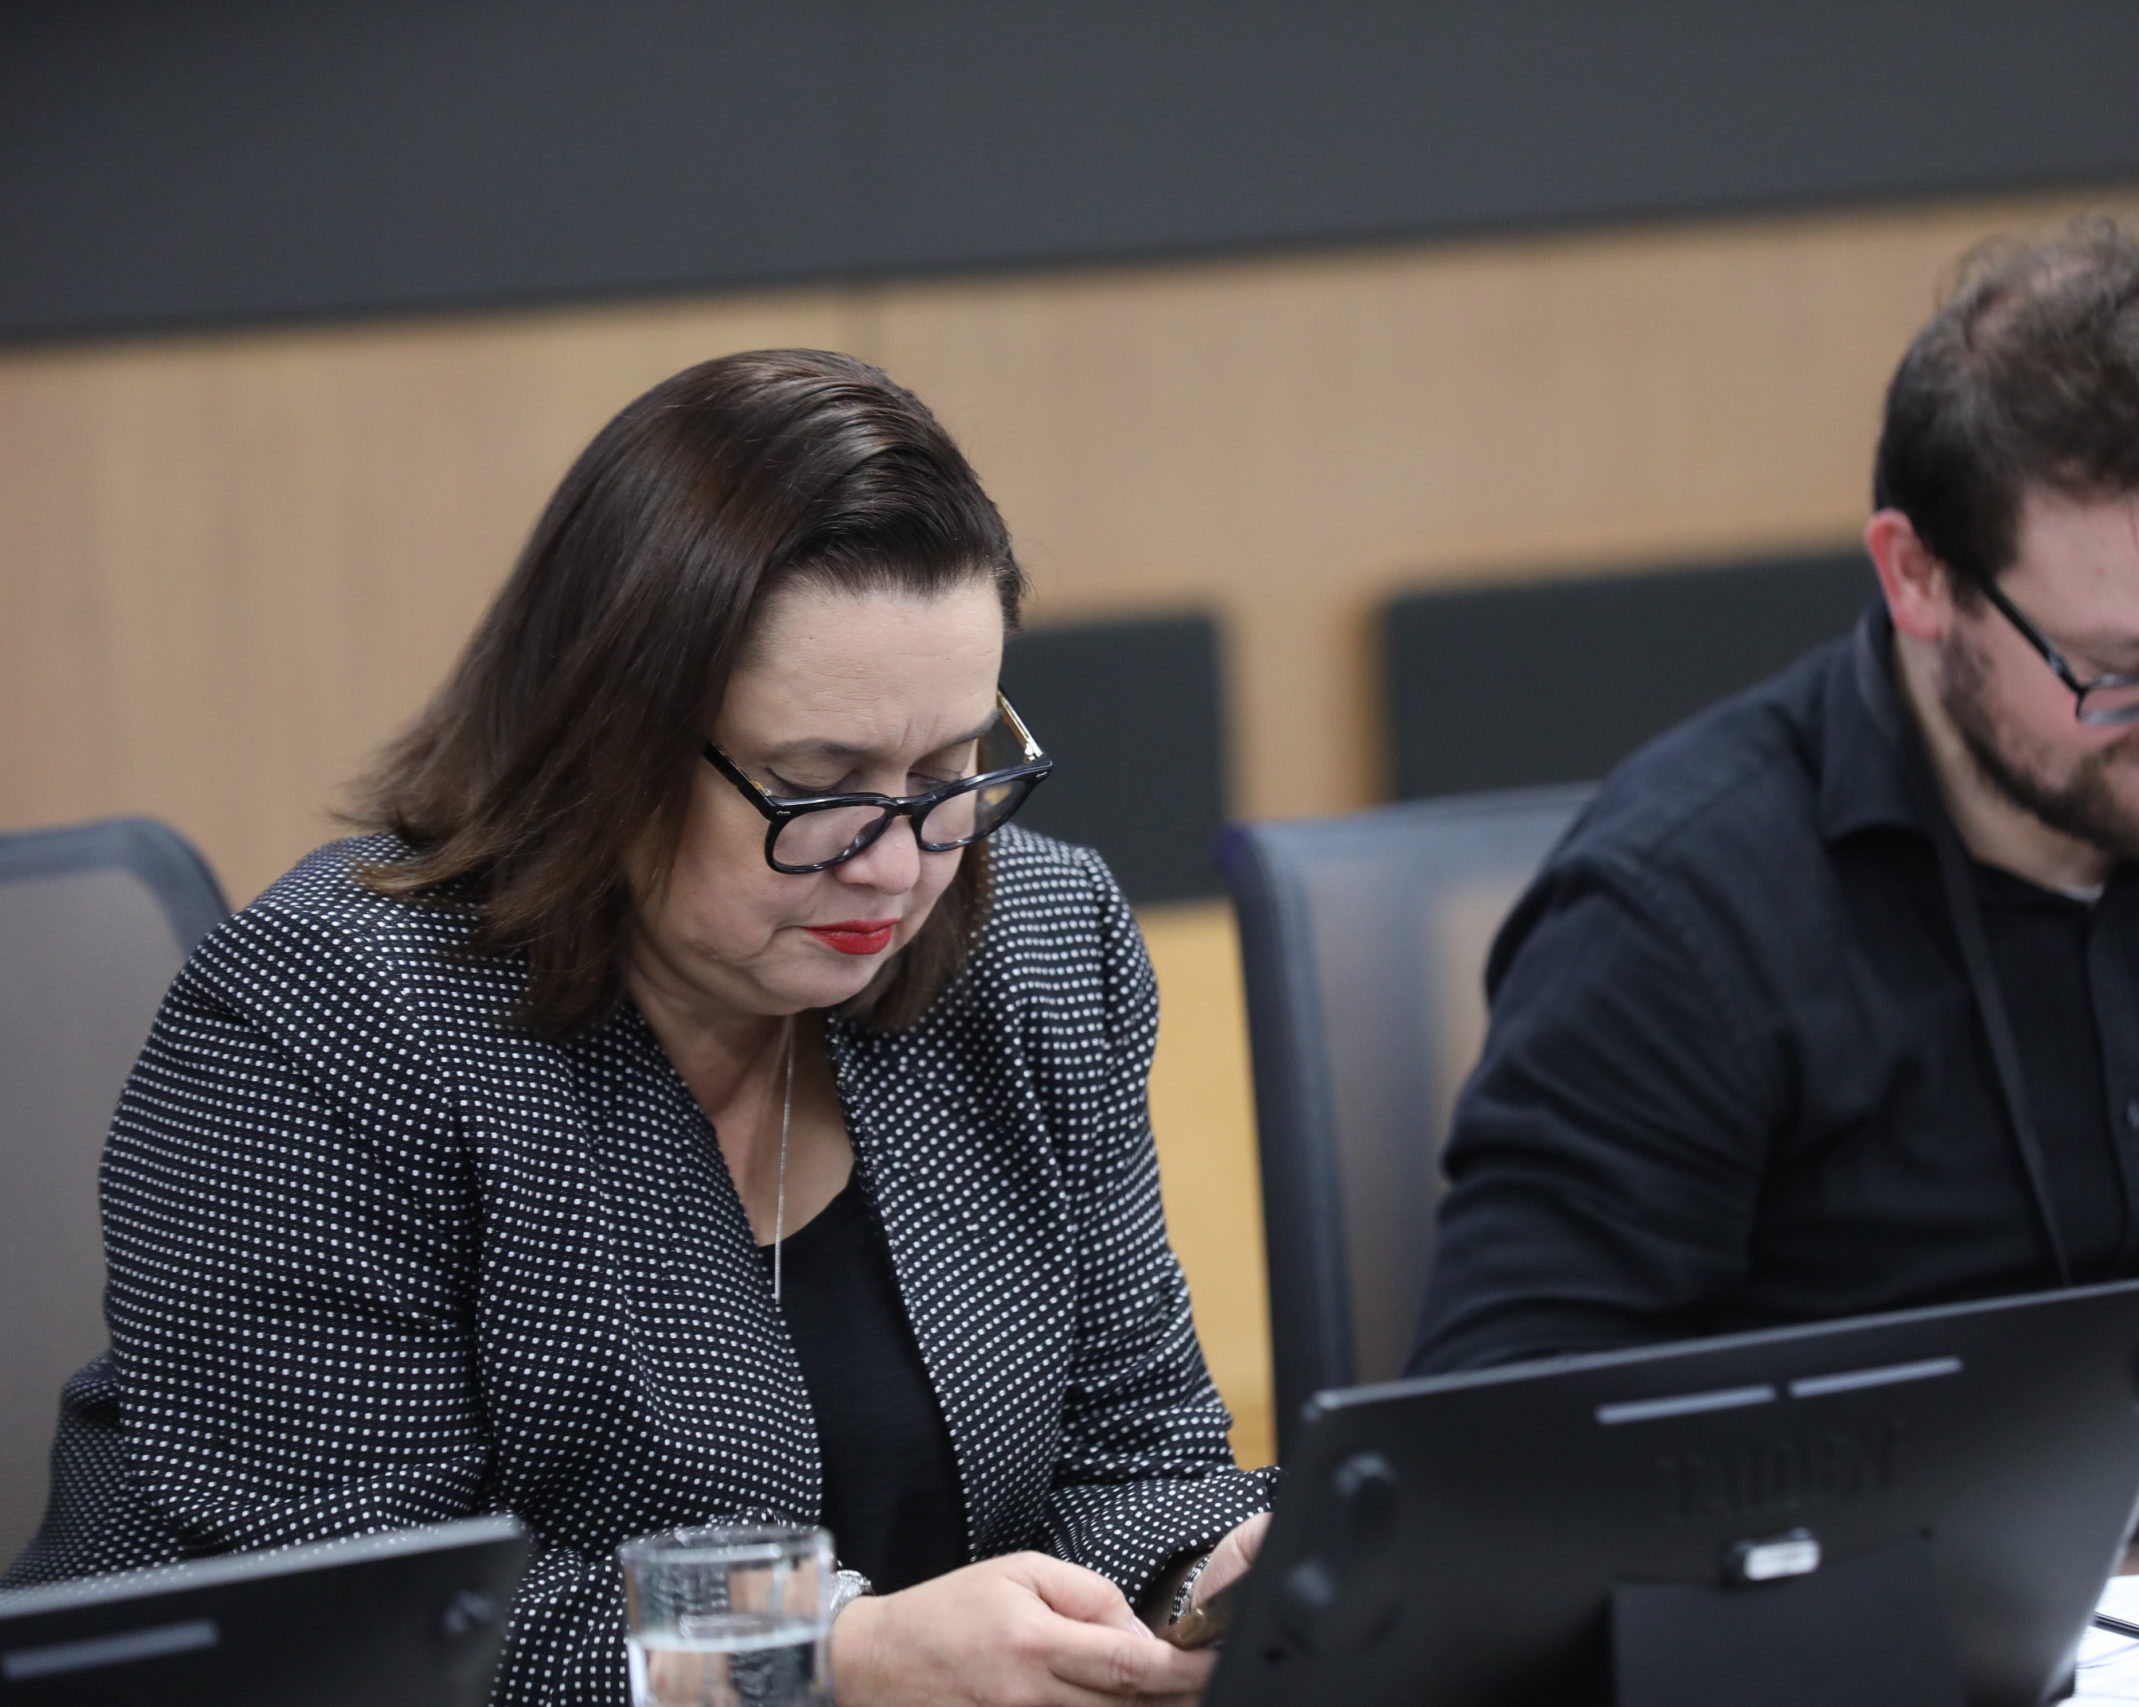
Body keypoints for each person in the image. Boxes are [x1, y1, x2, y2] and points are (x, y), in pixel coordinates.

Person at [7, 349, 1271, 1705]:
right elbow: (368, 1617)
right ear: (608, 743)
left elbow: (1131, 1454)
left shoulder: (1034, 945)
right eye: (818, 788)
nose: (901, 865)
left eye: (950, 771)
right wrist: (822, 1657)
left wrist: (1205, 1575)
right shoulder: (335, 1018)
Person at [1409, 220, 2139, 1544]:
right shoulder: (1680, 914)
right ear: (1919, 579)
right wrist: (2034, 1428)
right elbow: (1496, 1451)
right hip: (1833, 1630)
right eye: (2128, 669)